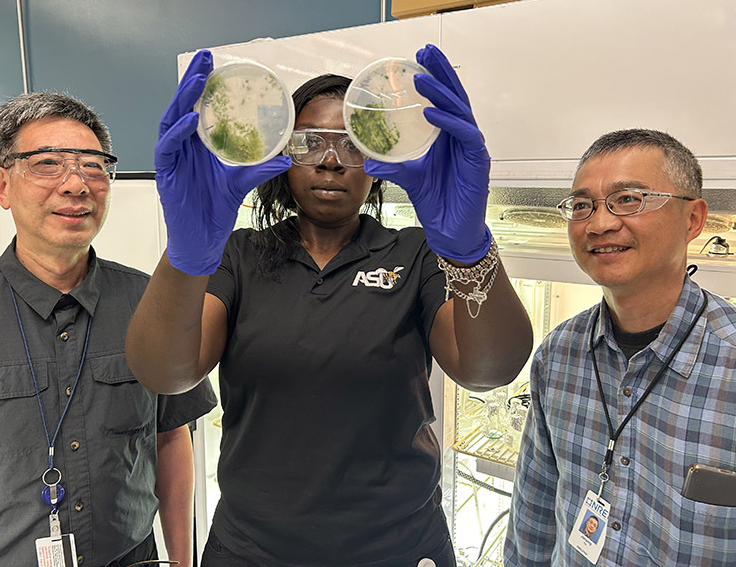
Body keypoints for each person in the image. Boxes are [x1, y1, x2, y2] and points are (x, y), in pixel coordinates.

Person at [126, 44, 533, 567]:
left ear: (378, 161)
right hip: (253, 550)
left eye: (352, 144)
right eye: (310, 141)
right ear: (282, 152)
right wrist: (185, 258)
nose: (331, 160)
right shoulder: (239, 256)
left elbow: (488, 370)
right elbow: (165, 372)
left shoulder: (414, 253)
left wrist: (470, 250)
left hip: (397, 547)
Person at [0, 92, 217, 567]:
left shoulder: (151, 302)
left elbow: (171, 437)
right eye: (48, 163)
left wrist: (181, 559)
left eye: (94, 166)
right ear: (1, 186)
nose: (76, 185)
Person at [504, 129, 736, 565]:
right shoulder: (559, 355)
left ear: (693, 219)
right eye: (581, 205)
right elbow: (532, 513)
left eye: (628, 199)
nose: (599, 223)